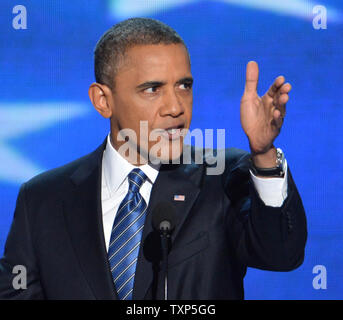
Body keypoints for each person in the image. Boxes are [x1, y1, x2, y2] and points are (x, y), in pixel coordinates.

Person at [0, 17, 307, 300]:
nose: (175, 107)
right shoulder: (42, 199)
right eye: (152, 89)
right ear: (103, 101)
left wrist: (263, 154)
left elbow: (281, 254)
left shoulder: (222, 176)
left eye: (184, 86)